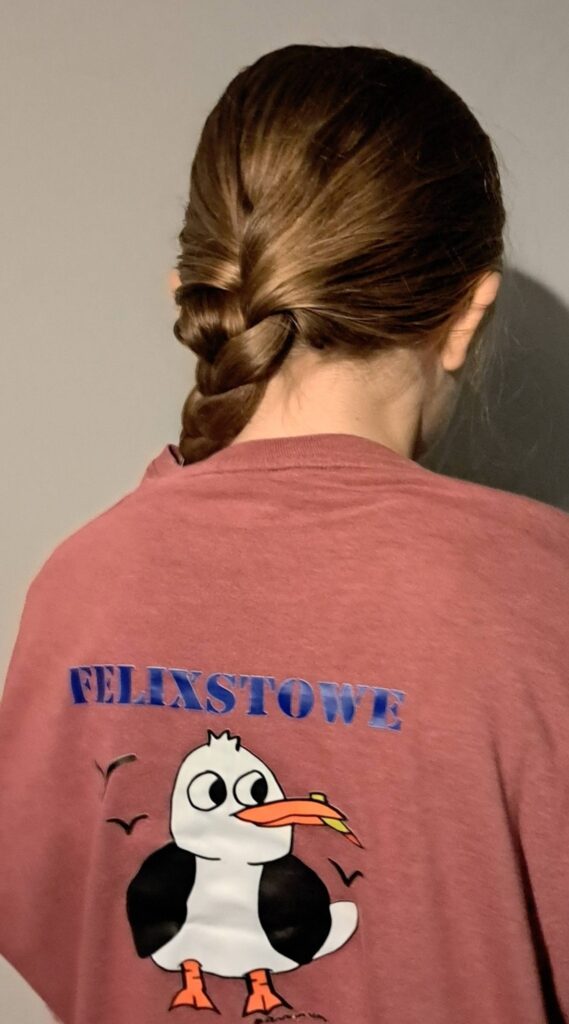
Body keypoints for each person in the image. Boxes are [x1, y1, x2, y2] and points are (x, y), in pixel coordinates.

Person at [1, 42, 568, 1024]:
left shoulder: (79, 583)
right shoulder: (542, 591)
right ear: (464, 313)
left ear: (195, 292)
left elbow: (67, 933)